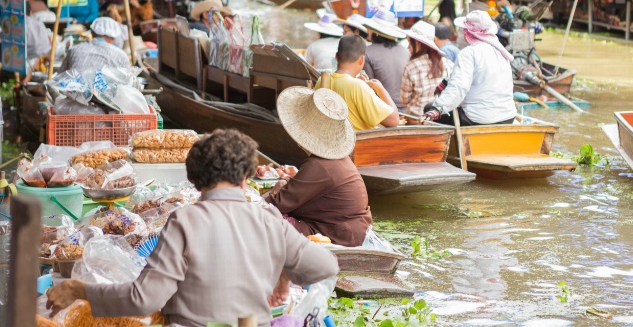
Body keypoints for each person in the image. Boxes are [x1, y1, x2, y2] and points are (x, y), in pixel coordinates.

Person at [46, 129, 339, 327]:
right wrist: (284, 273)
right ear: (245, 178)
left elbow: (144, 299)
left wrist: (76, 288)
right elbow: (325, 265)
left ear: (196, 181)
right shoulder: (269, 220)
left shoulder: (184, 221)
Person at [267, 87, 373, 246]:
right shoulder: (338, 160)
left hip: (340, 236)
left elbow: (281, 204)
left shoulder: (318, 165)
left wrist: (272, 193)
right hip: (351, 231)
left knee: (264, 218)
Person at [422, 10, 517, 126]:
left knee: (429, 107)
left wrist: (437, 108)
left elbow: (459, 87)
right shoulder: (501, 52)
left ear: (468, 32)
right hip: (508, 116)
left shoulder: (469, 53)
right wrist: (446, 85)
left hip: (478, 119)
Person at [320, 34, 399, 131]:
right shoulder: (358, 86)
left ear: (336, 56)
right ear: (362, 59)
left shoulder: (322, 80)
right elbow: (394, 120)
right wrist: (379, 88)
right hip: (358, 144)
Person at [401, 21, 453, 117]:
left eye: (409, 42)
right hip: (441, 117)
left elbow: (405, 100)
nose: (408, 47)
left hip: (417, 118)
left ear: (417, 43)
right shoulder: (448, 63)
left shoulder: (411, 66)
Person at [362, 10, 410, 111]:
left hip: (384, 111)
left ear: (375, 32)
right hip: (407, 110)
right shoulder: (405, 51)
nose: (367, 31)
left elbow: (370, 87)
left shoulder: (367, 52)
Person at [61, 17, 130, 72]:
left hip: (72, 89)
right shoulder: (121, 55)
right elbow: (128, 83)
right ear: (113, 38)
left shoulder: (75, 49)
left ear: (92, 33)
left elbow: (61, 75)